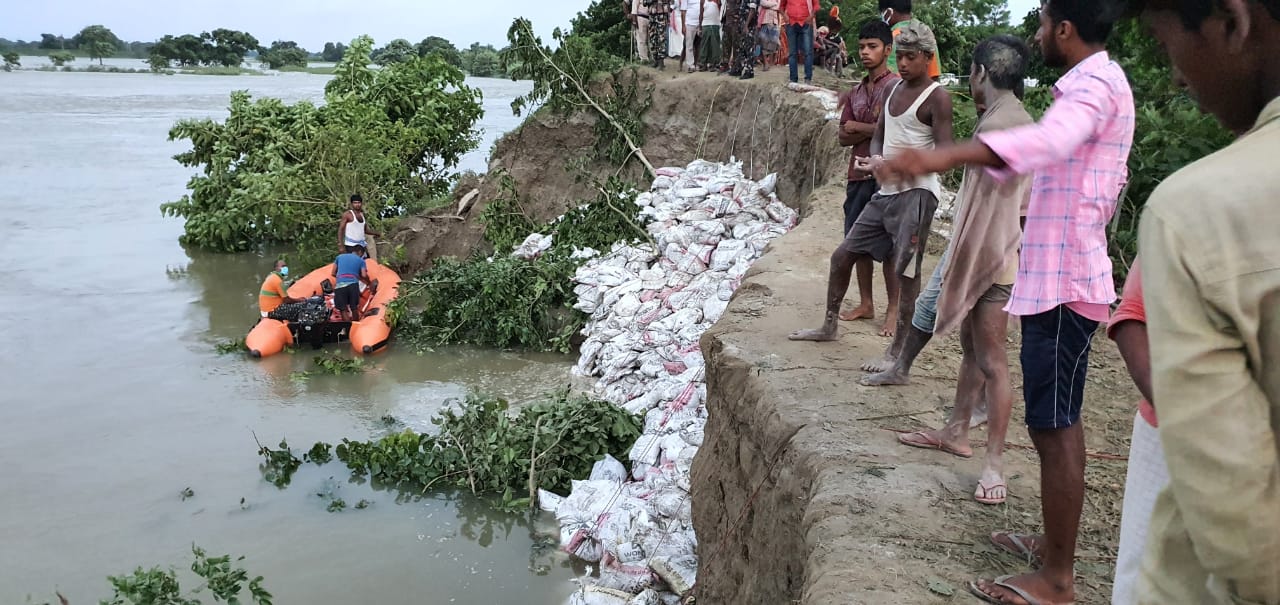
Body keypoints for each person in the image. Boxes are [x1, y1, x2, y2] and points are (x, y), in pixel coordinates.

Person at [875, 0, 1135, 601]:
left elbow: (1043, 143)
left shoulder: (1093, 87)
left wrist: (939, 155)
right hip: (1055, 278)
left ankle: (1057, 580)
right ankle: (1051, 547)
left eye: (1043, 22)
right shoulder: (1091, 85)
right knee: (1053, 422)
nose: (1038, 33)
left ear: (1065, 30)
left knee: (1055, 427)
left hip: (1066, 284)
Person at [1132, 0, 1280, 602]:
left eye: (1168, 44)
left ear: (1232, 22)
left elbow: (1239, 525)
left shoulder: (1199, 210)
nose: (1175, 75)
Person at [887, 35, 1034, 508]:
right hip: (987, 254)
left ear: (981, 74)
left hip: (995, 260)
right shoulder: (1005, 118)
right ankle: (955, 429)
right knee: (974, 348)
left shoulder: (1008, 125)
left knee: (992, 358)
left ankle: (994, 464)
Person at [788, 22, 951, 345]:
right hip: (885, 190)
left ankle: (899, 351)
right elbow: (878, 137)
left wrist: (898, 164)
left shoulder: (937, 98)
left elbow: (945, 155)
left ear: (927, 58)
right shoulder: (893, 90)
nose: (903, 63)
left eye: (910, 57)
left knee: (906, 269)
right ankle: (829, 326)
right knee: (843, 255)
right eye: (901, 56)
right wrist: (876, 159)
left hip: (916, 193)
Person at [836, 20, 900, 330]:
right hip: (857, 175)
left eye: (872, 46)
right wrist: (861, 131)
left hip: (887, 176)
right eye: (861, 46)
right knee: (857, 241)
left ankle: (893, 309)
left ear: (887, 50)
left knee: (889, 246)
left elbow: (896, 131)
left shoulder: (898, 88)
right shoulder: (856, 92)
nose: (865, 52)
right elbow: (841, 136)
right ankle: (866, 303)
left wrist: (859, 129)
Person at [878, 0, 942, 81]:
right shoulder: (926, 34)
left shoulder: (888, 38)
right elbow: (934, 76)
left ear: (889, 12)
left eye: (882, 13)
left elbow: (885, 79)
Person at [780, 0, 819, 84]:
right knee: (792, 53)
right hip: (791, 23)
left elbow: (816, 6)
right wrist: (785, 16)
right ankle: (793, 79)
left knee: (808, 52)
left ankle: (808, 79)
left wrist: (811, 16)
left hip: (806, 23)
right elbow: (781, 6)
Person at [331, 245, 373, 322]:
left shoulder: (339, 257)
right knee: (354, 308)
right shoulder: (361, 261)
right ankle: (356, 326)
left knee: (343, 310)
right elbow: (364, 275)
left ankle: (348, 329)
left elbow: (333, 273)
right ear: (360, 252)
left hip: (340, 285)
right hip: (353, 285)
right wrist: (369, 282)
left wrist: (342, 277)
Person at [339, 193, 380, 262]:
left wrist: (376, 233)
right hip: (351, 245)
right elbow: (341, 229)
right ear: (351, 204)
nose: (357, 204)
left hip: (361, 245)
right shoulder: (348, 214)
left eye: (359, 203)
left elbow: (365, 230)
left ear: (361, 203)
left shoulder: (362, 215)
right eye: (355, 203)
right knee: (353, 265)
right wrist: (340, 245)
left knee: (365, 265)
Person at [728, 0, 759, 78]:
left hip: (749, 25)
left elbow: (752, 10)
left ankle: (749, 71)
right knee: (742, 47)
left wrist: (746, 25)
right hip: (743, 23)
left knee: (749, 48)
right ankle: (738, 68)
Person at [697, 0, 723, 70]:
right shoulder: (703, 1)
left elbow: (720, 10)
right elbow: (701, 13)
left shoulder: (717, 1)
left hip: (715, 24)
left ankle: (714, 63)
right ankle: (703, 63)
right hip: (705, 24)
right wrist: (699, 27)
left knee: (715, 45)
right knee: (704, 44)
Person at [680, 0, 702, 72]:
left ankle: (696, 64)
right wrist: (683, 26)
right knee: (689, 45)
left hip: (699, 24)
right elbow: (683, 11)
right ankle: (690, 65)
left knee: (698, 45)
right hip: (689, 23)